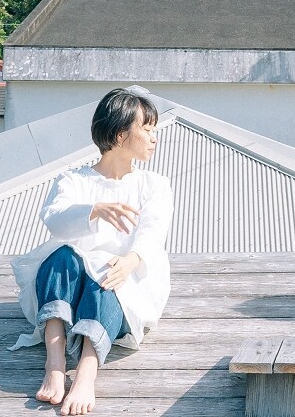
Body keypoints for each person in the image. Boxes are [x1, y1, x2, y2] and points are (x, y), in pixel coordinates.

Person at [10, 88, 173, 415]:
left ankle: (86, 373)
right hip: (69, 288)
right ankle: (54, 365)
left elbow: (153, 233)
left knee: (107, 275)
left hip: (121, 282)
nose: (155, 137)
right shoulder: (73, 180)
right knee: (60, 256)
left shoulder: (154, 184)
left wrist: (129, 262)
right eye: (147, 128)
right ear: (119, 134)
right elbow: (54, 220)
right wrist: (94, 209)